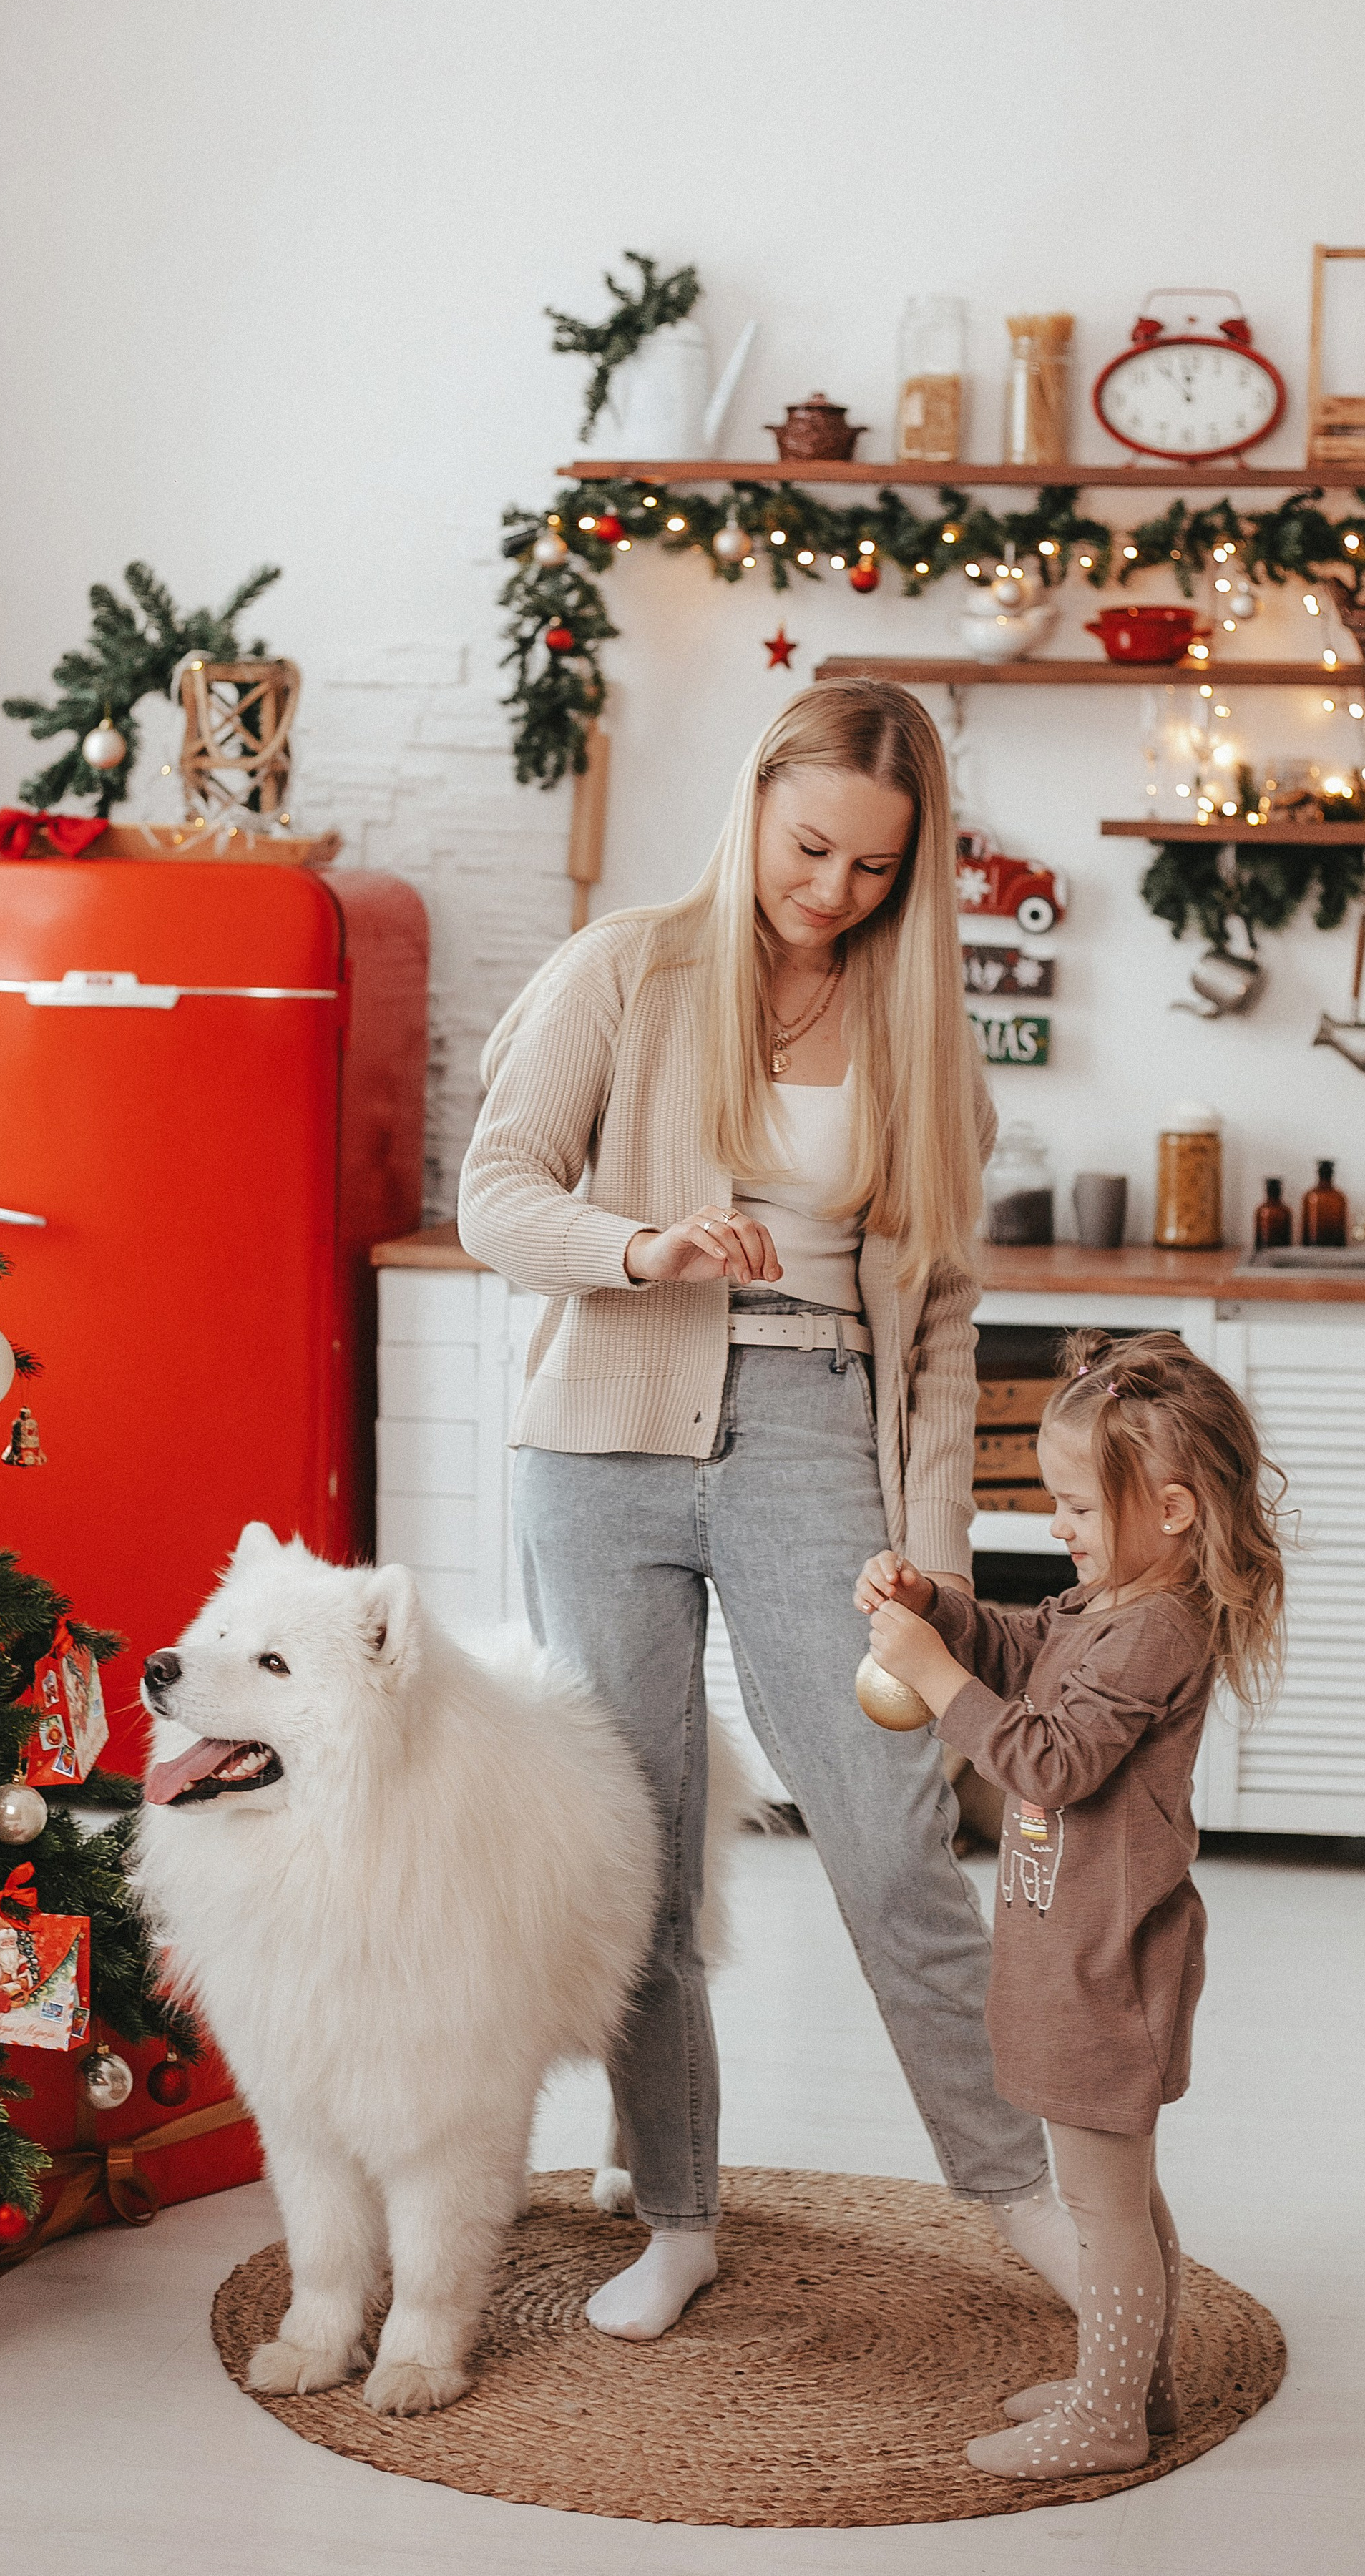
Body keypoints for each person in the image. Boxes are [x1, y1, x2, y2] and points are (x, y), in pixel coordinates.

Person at [458, 679, 1076, 2342]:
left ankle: (1023, 2194)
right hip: (601, 1434)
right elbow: (495, 1193)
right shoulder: (622, 970)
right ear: (749, 806)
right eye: (809, 848)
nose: (830, 892)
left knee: (889, 1840)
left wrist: (936, 1561)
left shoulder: (921, 1039)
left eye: (874, 870)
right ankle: (674, 2210)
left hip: (817, 1434)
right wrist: (640, 1246)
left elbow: (940, 1328)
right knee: (638, 1855)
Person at [857, 1326, 1286, 2479]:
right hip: (1069, 1951)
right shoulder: (1103, 1606)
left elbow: (1048, 1761)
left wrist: (935, 1680)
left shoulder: (1157, 1629)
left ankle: (1105, 2416)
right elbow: (1016, 1646)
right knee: (1118, 2200)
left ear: (1177, 1511)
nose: (1059, 1530)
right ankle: (1129, 2389)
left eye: (1079, 1509)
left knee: (1105, 2208)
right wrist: (940, 1613)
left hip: (1111, 1965)